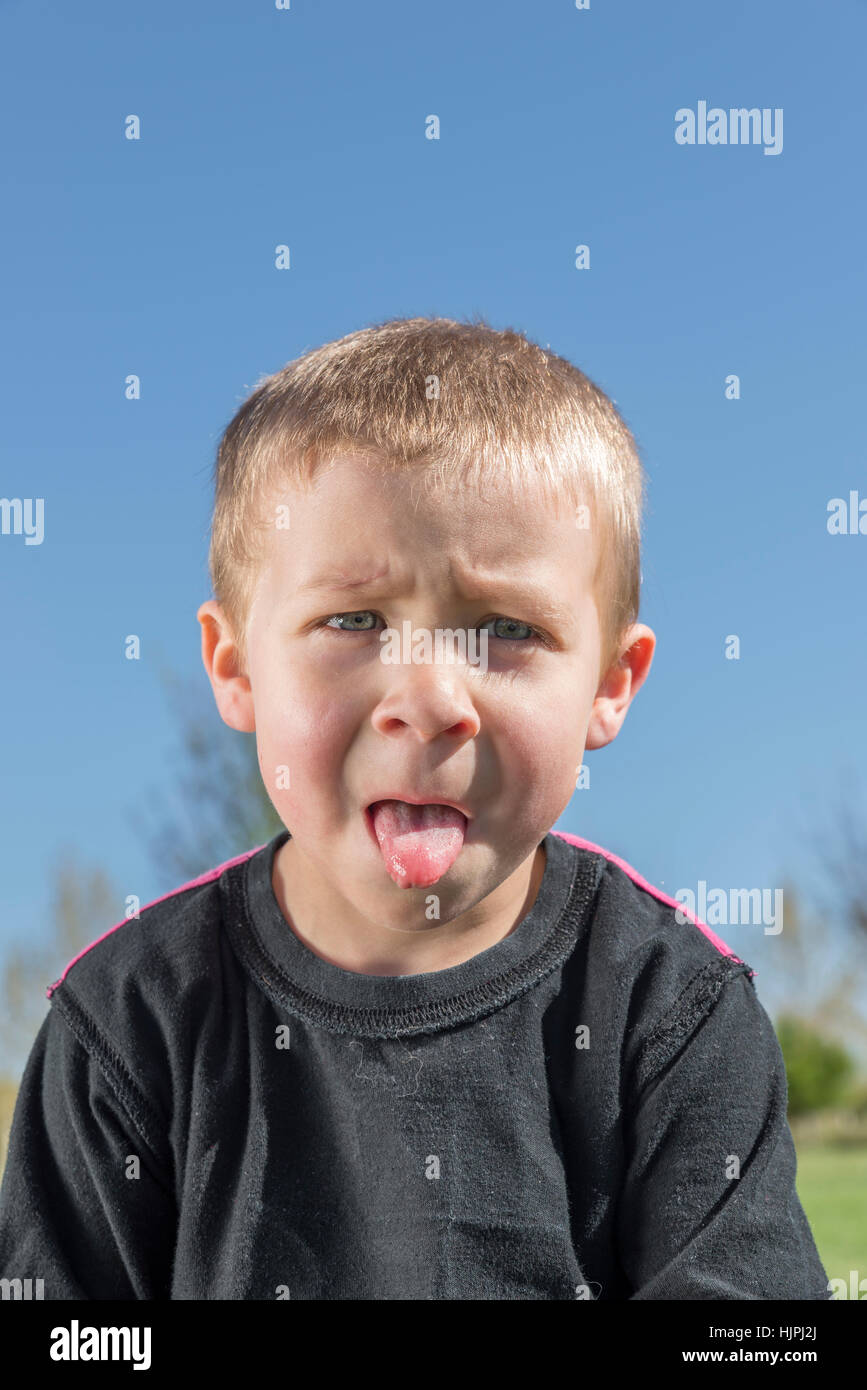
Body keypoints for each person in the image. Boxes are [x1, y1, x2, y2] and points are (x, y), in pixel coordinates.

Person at [0, 316, 830, 1299]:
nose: (430, 699)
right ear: (236, 669)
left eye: (508, 629)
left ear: (612, 681)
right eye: (352, 620)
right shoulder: (130, 1025)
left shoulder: (675, 1016)